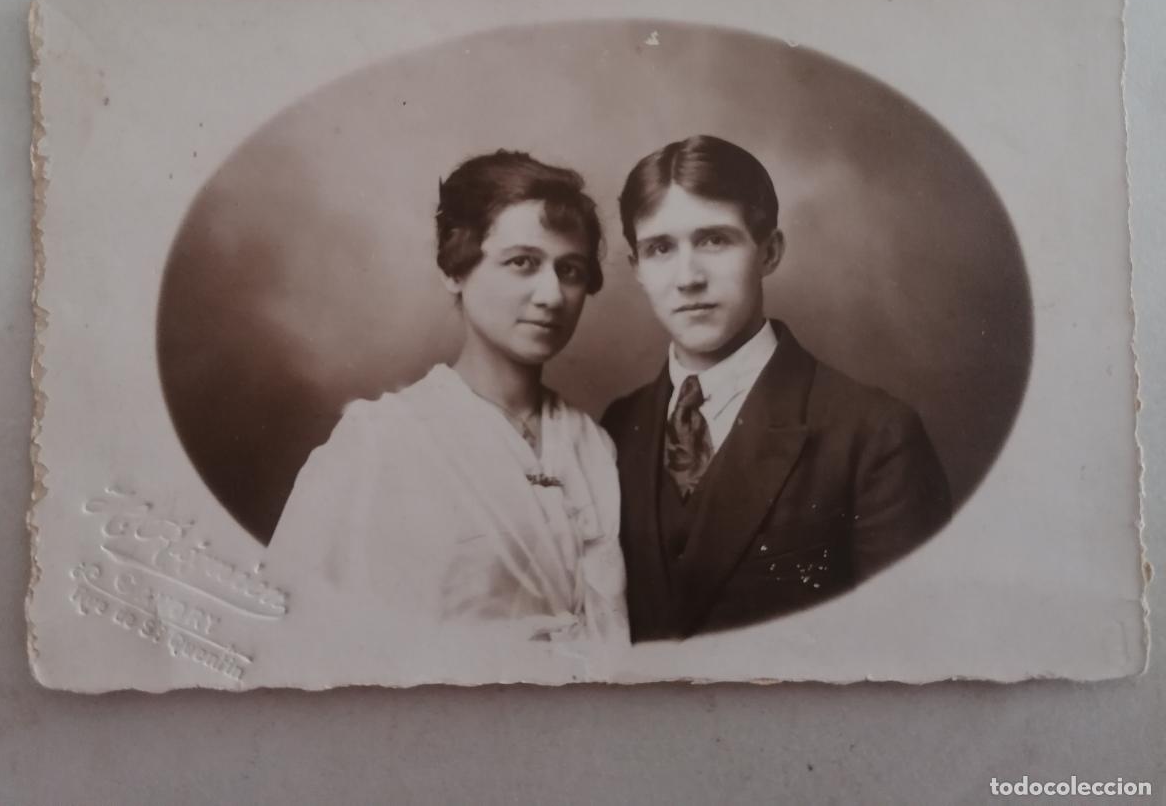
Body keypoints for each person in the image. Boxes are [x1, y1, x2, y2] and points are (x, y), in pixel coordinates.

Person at [275, 151, 627, 668]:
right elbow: (289, 633)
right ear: (455, 269)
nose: (552, 294)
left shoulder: (595, 447)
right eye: (522, 262)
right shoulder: (378, 442)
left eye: (570, 270)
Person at [603, 134, 951, 642]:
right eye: (660, 248)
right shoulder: (616, 428)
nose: (688, 277)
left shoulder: (874, 435)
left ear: (769, 252)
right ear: (636, 268)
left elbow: (909, 649)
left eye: (714, 240)